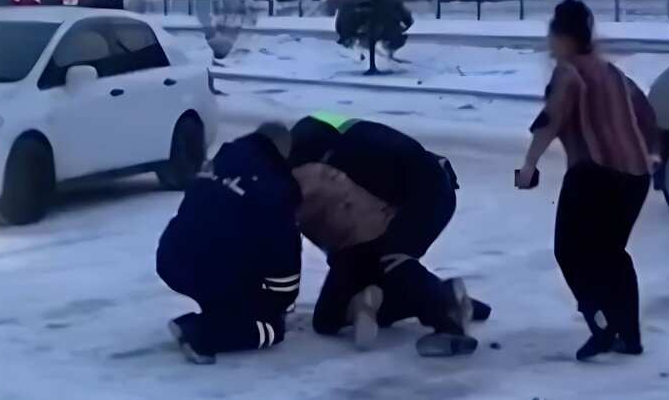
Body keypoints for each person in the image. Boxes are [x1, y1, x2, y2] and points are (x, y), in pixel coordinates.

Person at [517, 0, 660, 362]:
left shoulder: (569, 73)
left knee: (571, 252)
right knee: (611, 254)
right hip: (635, 178)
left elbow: (550, 120)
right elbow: (646, 113)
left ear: (561, 37)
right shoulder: (612, 72)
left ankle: (601, 323)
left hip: (594, 173)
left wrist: (529, 167)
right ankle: (629, 335)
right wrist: (652, 154)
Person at [290, 112, 490, 357]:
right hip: (413, 184)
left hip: (426, 191)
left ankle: (447, 318)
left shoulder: (301, 169)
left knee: (394, 259)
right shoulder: (316, 126)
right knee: (327, 320)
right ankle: (440, 296)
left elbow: (309, 229)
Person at [155, 122, 302, 364]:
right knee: (270, 329)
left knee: (232, 296)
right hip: (215, 269)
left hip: (172, 257)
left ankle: (204, 322)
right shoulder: (274, 184)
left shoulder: (220, 161)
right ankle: (201, 334)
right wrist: (280, 302)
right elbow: (284, 248)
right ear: (282, 152)